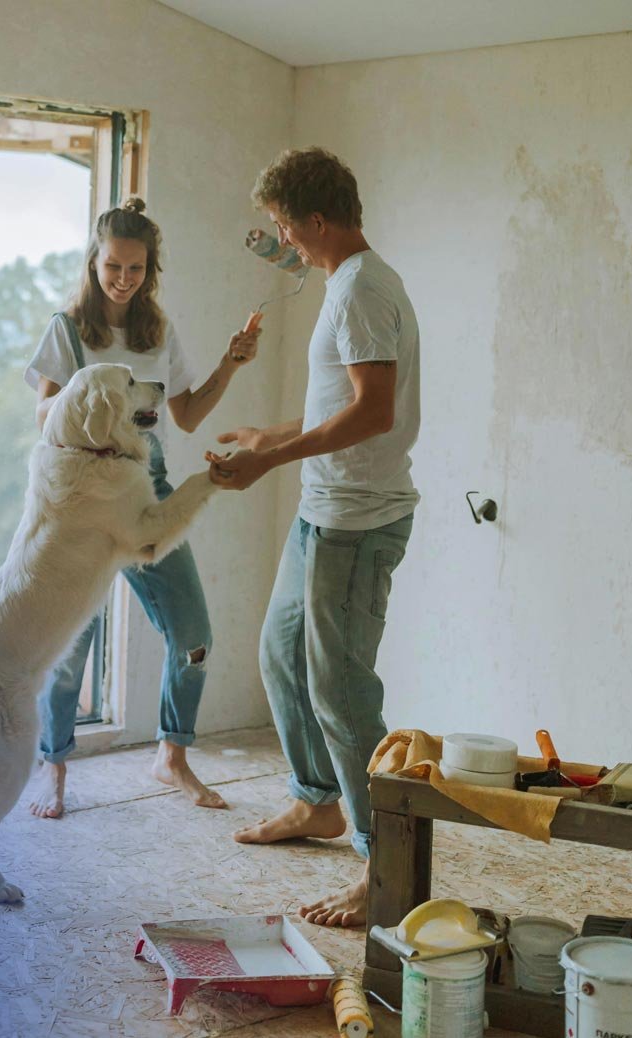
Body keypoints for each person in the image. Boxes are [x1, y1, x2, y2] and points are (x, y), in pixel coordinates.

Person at [207, 148, 420, 928]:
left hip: (356, 522)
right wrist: (274, 435)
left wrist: (268, 462)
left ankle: (383, 864)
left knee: (343, 694)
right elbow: (343, 403)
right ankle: (316, 802)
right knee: (278, 652)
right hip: (322, 510)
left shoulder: (363, 288)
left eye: (284, 227)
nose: (283, 240)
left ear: (318, 221)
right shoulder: (347, 284)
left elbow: (374, 412)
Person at [23, 197, 261, 819]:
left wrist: (230, 366)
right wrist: (93, 394)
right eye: (112, 266)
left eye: (135, 268)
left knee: (194, 637)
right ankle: (53, 767)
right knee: (71, 644)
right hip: (82, 495)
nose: (123, 278)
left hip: (146, 487)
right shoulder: (67, 328)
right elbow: (43, 416)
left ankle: (171, 756)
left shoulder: (159, 331)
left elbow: (185, 416)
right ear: (94, 263)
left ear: (149, 269)